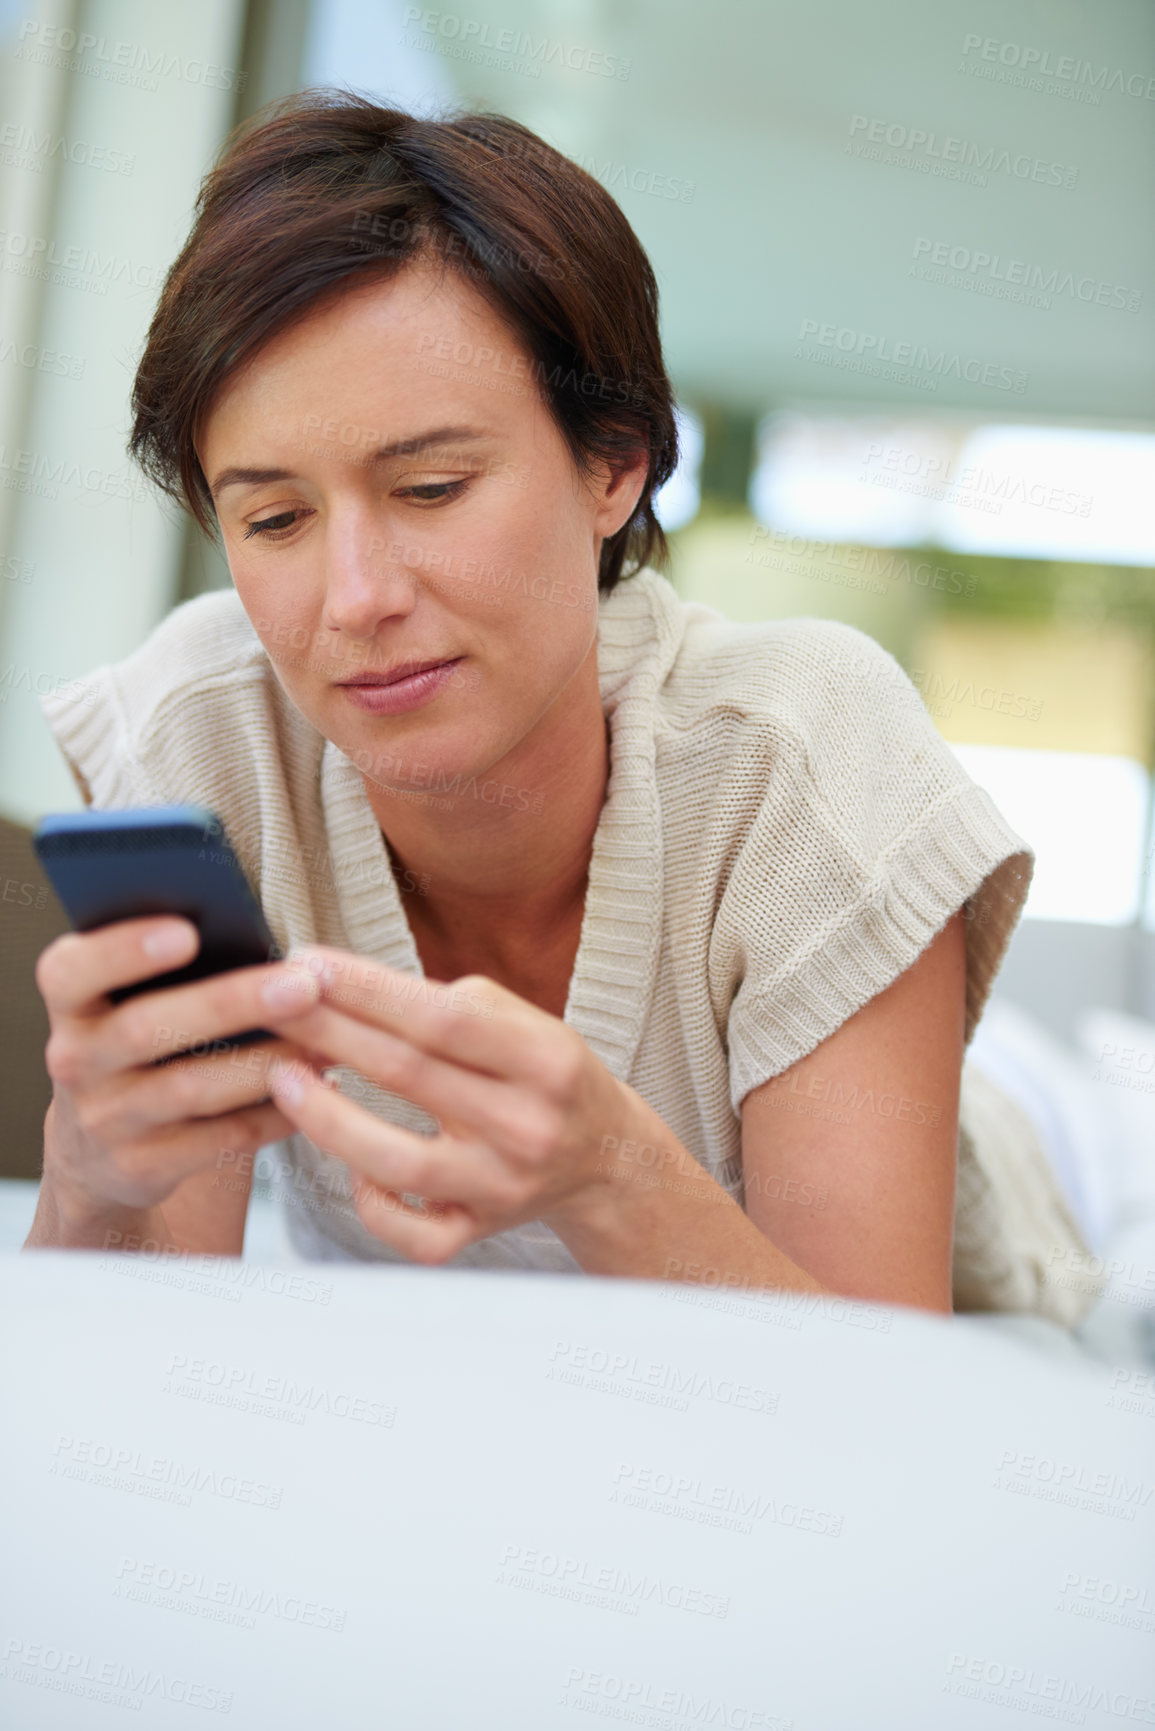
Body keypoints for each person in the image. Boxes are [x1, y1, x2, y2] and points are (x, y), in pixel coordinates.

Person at [24, 90, 1095, 1325]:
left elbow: (873, 1397)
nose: (355, 601)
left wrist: (610, 1173)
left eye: (431, 487)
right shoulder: (204, 734)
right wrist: (88, 1181)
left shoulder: (802, 756)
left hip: (998, 1239)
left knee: (1082, 1119)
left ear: (615, 465)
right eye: (273, 519)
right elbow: (139, 1348)